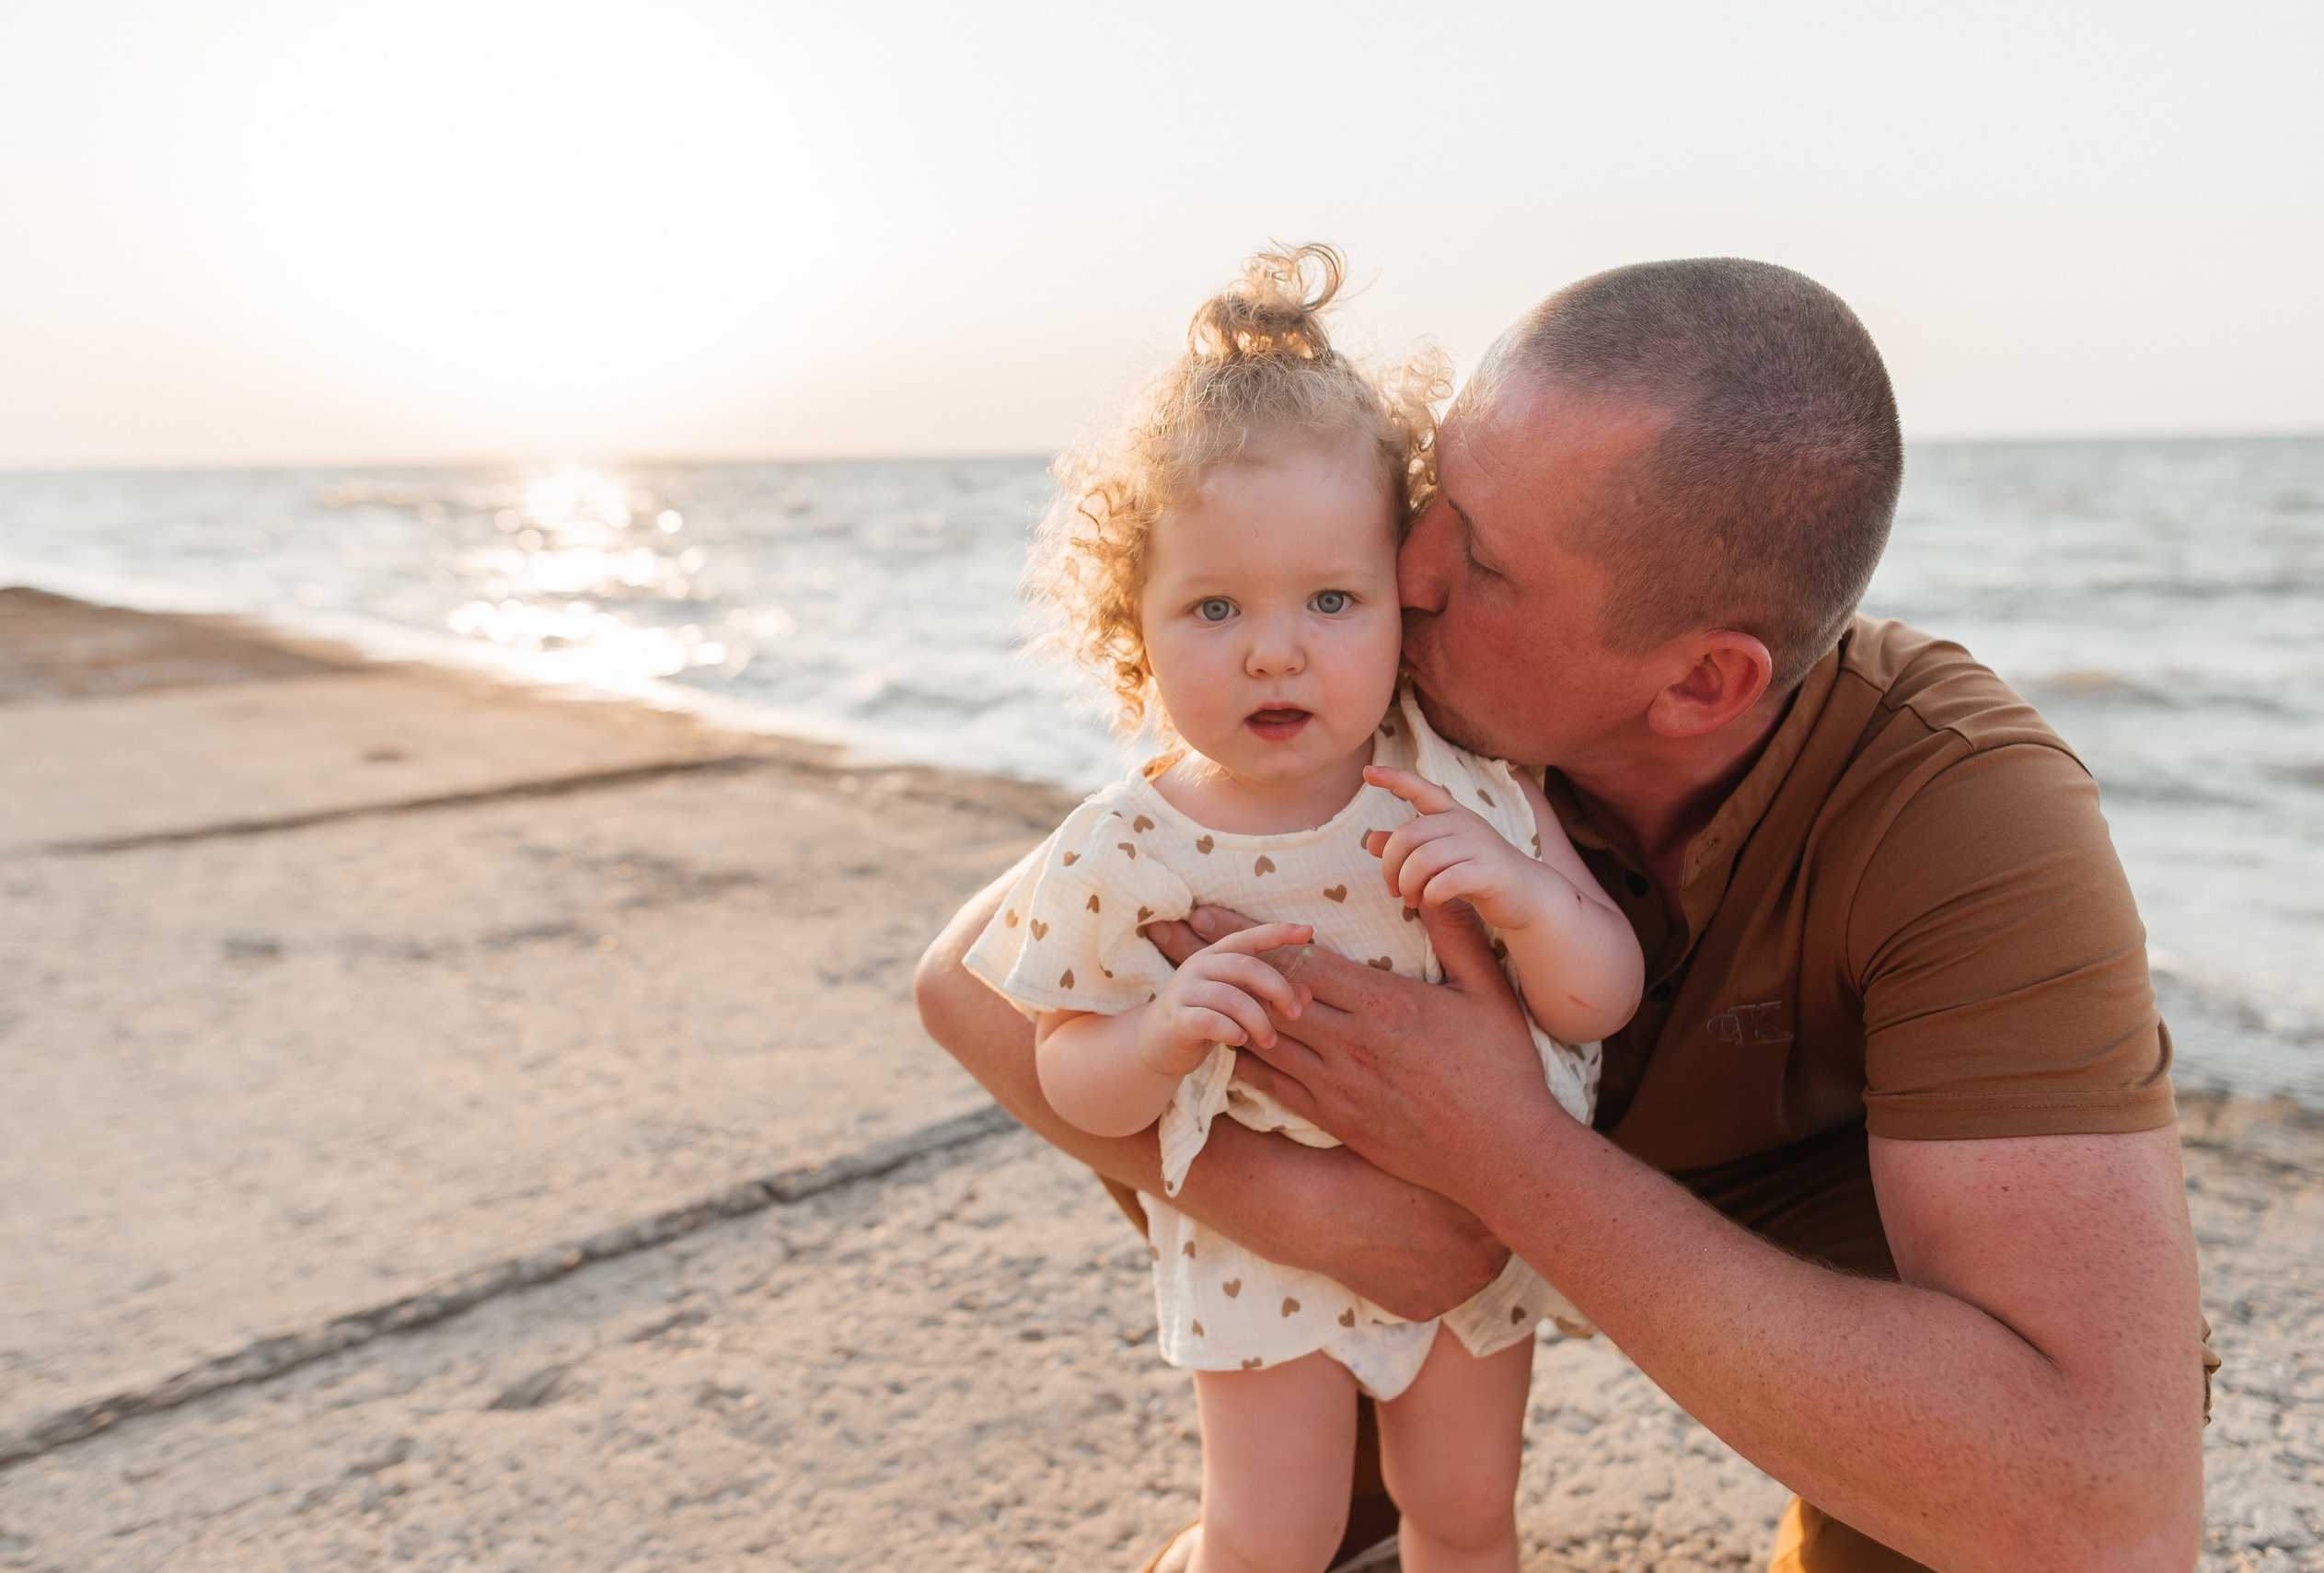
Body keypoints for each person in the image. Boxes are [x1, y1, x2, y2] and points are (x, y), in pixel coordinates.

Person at [918, 257, 2211, 1573]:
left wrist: (1504, 1151)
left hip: (1783, 1254)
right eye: (1432, 499)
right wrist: (1292, 1204)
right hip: (1356, 1243)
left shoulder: (1961, 810)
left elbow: (2110, 1517)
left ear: (1702, 682)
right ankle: (1343, 1474)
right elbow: (970, 979)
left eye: (1476, 558)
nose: (1402, 569)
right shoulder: (1374, 703)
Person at [964, 245, 1644, 1573]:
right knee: (1267, 1535)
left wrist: (1527, 894)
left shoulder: (1460, 785)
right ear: (1135, 624)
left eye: (1332, 600)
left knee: (1465, 1511)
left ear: (1403, 596)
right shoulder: (1129, 842)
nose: (1276, 648)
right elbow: (1072, 1075)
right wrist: (1158, 1033)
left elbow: (1599, 991)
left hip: (1473, 1217)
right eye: (1215, 606)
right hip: (1258, 1258)